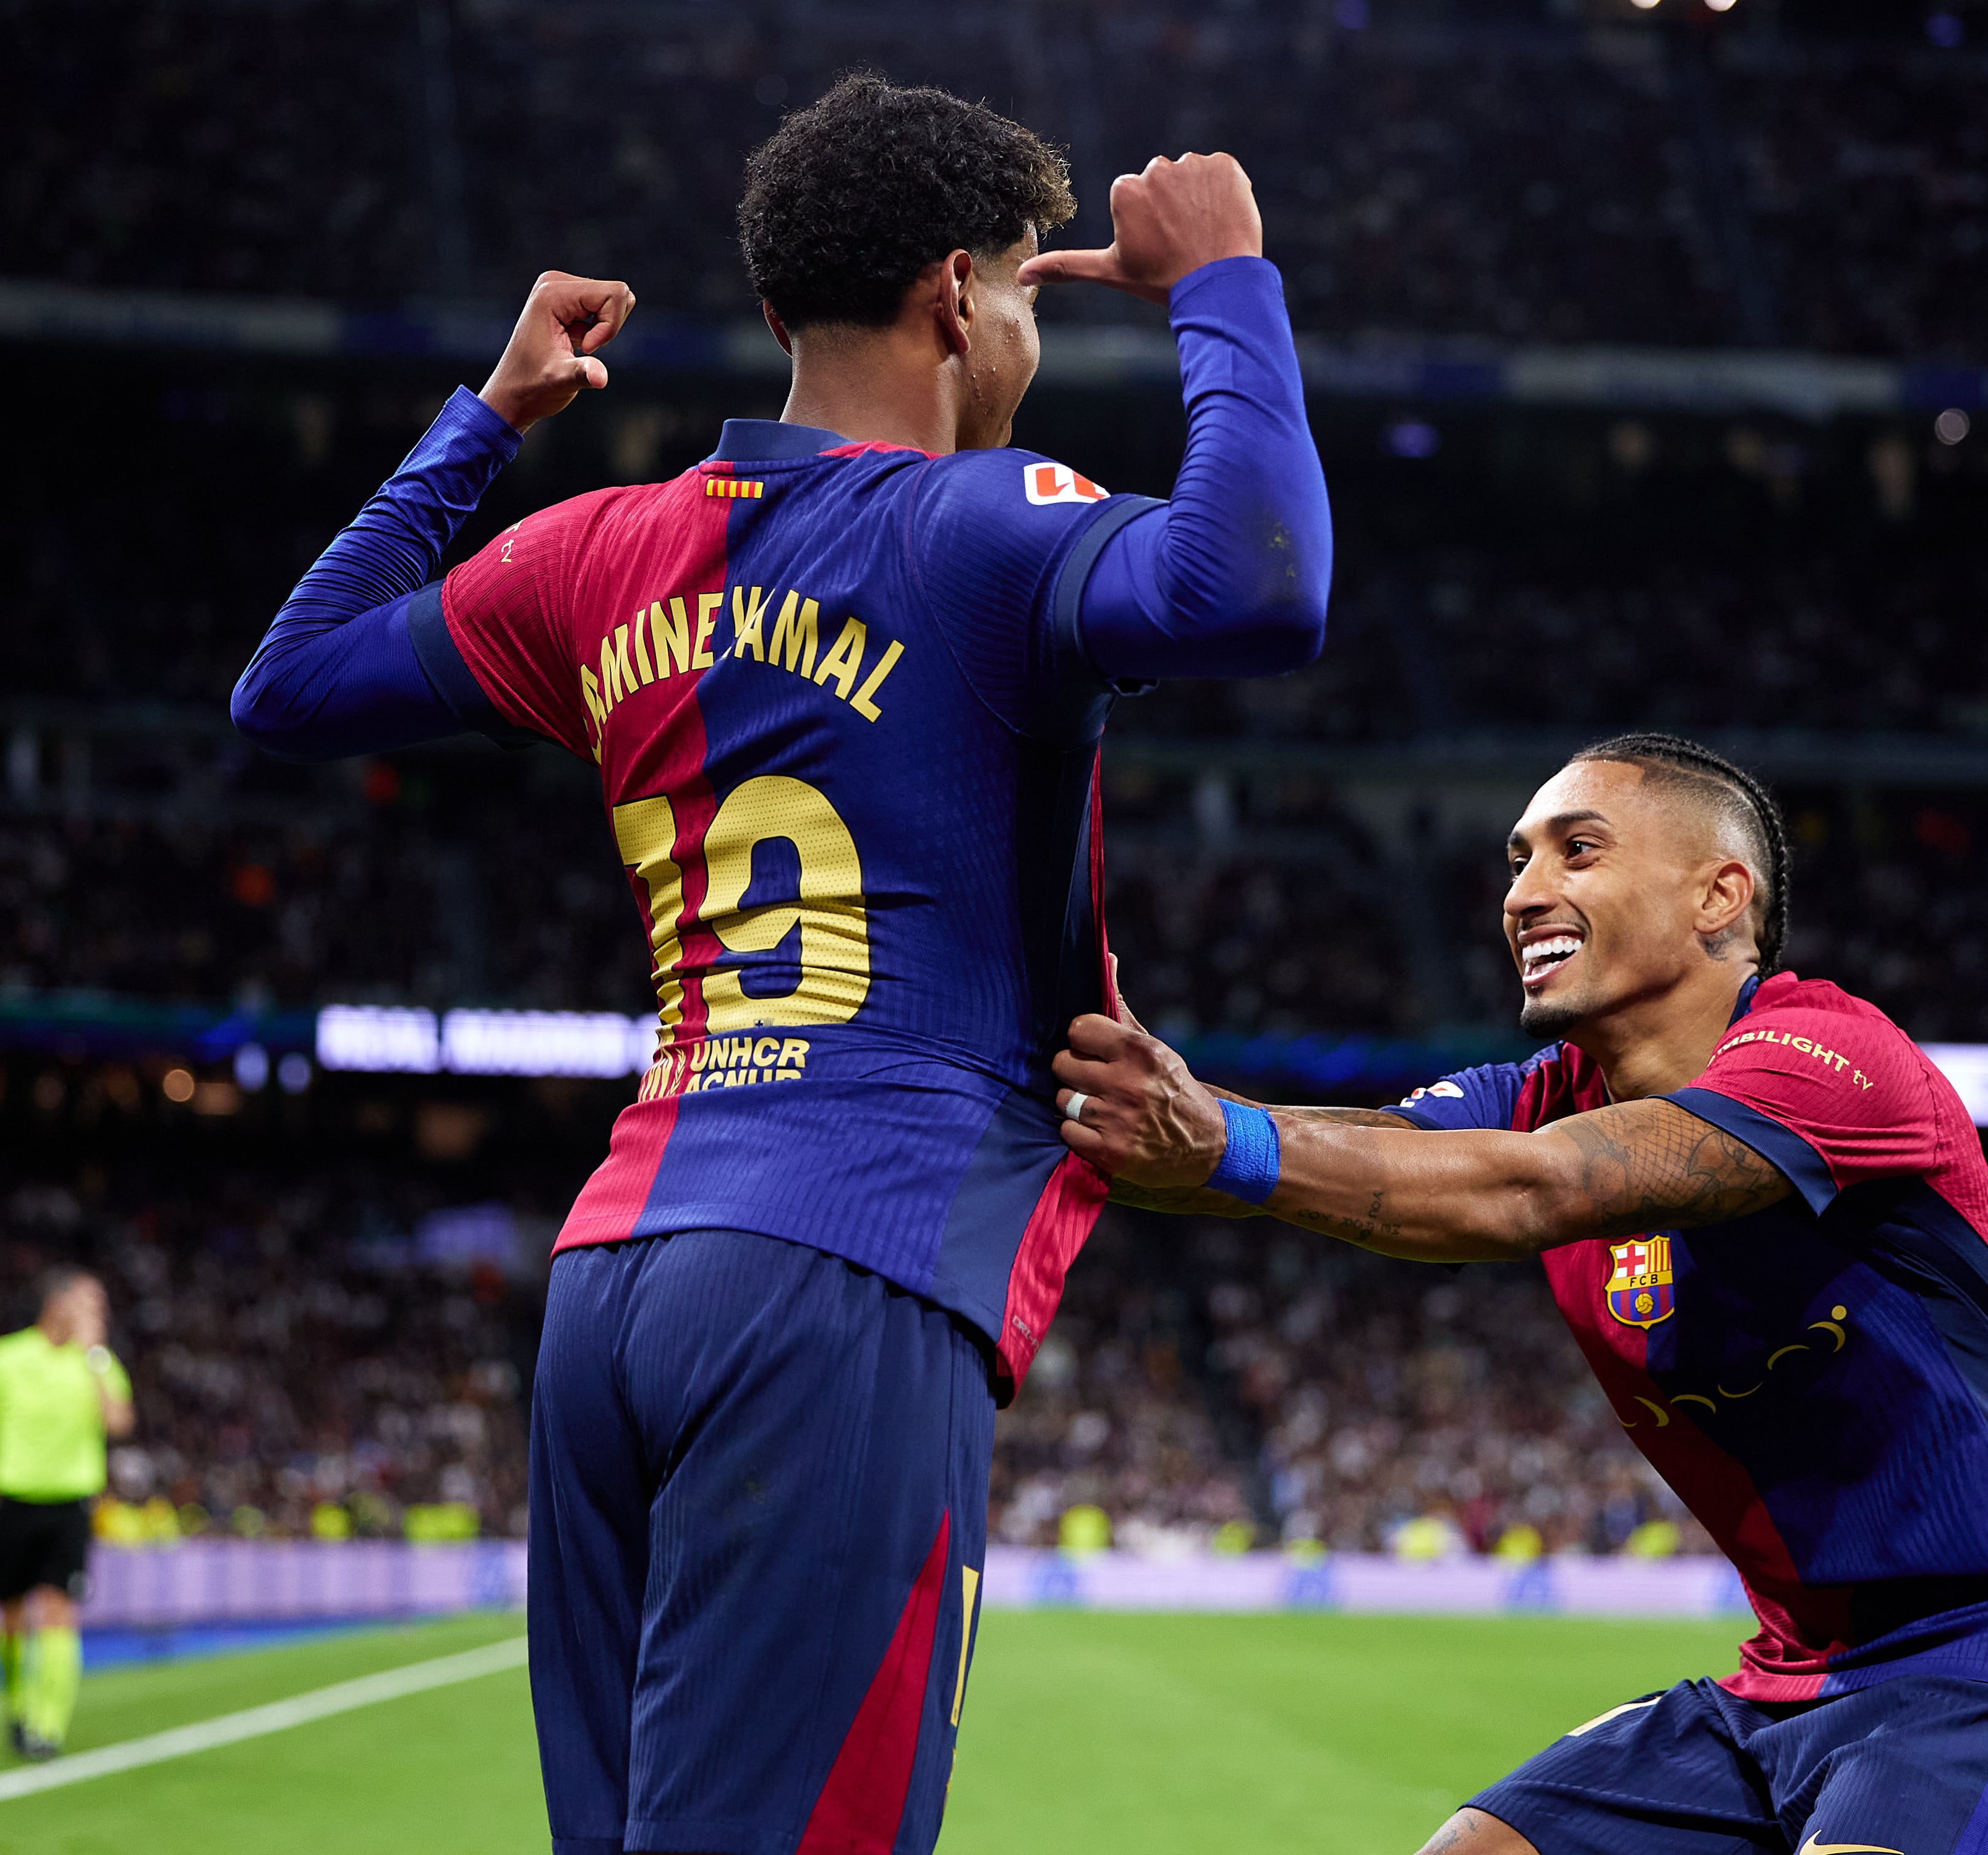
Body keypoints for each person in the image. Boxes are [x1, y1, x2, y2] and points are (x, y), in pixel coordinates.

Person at [229, 76, 1328, 1855]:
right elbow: (1259, 583)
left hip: (617, 1284)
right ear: (959, 294)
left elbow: (286, 684)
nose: (1034, 339)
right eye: (1031, 300)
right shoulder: (981, 523)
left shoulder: (593, 553)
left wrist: (489, 416)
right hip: (851, 1268)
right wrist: (1226, 288)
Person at [1051, 733, 1988, 1855]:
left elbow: (1536, 1190)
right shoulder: (1541, 1095)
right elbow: (1345, 1156)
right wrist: (1118, 1118)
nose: (1524, 894)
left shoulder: (1834, 1059)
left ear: (1720, 895)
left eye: (1577, 852)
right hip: (1787, 1685)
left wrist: (1215, 1140)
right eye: (1519, 860)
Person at [0, 1265, 134, 1760]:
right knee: (10, 1616)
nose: (98, 1314)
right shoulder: (5, 1357)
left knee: (60, 1610)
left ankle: (47, 1726)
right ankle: (19, 1704)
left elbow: (118, 1422)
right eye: (89, 1303)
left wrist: (95, 1353)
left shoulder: (99, 1363)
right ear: (57, 1303)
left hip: (70, 1503)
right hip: (14, 1502)